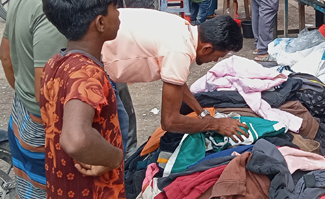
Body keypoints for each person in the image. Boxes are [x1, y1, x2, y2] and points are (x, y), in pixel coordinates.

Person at [0, 0, 131, 199]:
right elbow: (75, 137)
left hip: (24, 118)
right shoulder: (78, 61)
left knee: (35, 197)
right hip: (46, 131)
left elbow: (5, 56)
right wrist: (113, 156)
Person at [39, 0, 127, 199]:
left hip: (62, 195)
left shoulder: (56, 62)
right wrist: (114, 157)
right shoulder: (86, 74)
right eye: (114, 9)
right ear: (100, 23)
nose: (119, 15)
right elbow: (75, 138)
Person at [102, 9, 249, 139]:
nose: (215, 60)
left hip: (102, 45)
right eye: (217, 56)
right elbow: (169, 121)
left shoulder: (183, 27)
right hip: (96, 63)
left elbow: (177, 81)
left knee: (124, 122)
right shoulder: (180, 52)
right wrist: (215, 124)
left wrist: (201, 113)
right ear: (207, 48)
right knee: (117, 132)